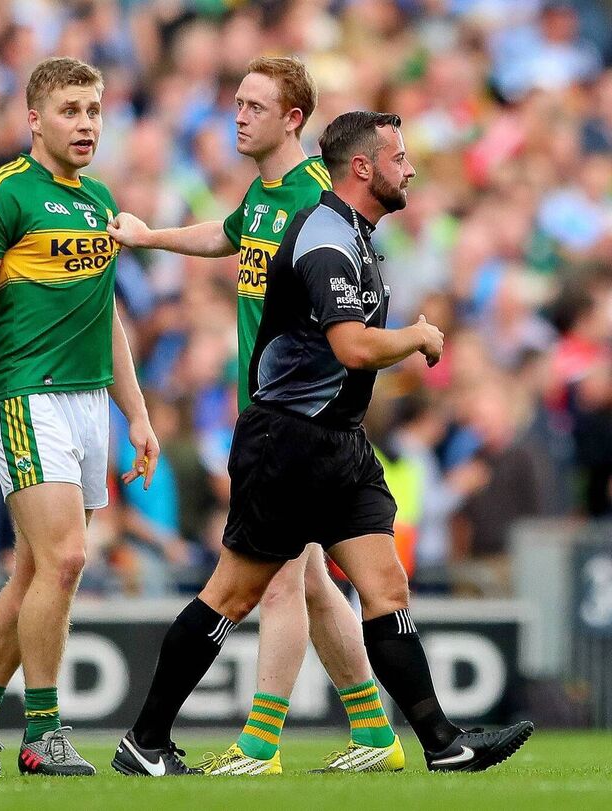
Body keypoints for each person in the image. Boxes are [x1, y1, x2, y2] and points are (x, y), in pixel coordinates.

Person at [118, 111, 534, 775]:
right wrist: (419, 335)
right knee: (233, 594)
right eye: (399, 157)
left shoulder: (358, 233)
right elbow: (353, 343)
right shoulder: (326, 237)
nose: (412, 168)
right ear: (363, 168)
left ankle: (442, 742)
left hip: (337, 439)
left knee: (386, 585)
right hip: (287, 439)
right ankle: (146, 739)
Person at [109, 57, 402, 775]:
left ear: (293, 119)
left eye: (252, 105)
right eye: (235, 102)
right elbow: (229, 234)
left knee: (275, 578)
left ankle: (259, 744)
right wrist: (149, 240)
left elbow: (352, 306)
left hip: (295, 422)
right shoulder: (269, 194)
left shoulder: (315, 200)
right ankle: (376, 732)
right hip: (271, 418)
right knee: (307, 577)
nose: (236, 115)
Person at [0, 56, 159, 778]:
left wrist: (139, 416)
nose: (86, 123)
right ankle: (43, 732)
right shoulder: (2, 192)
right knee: (65, 559)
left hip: (91, 400)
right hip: (28, 395)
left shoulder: (98, 199)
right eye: (70, 110)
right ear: (34, 119)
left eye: (94, 109)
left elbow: (107, 319)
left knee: (36, 570)